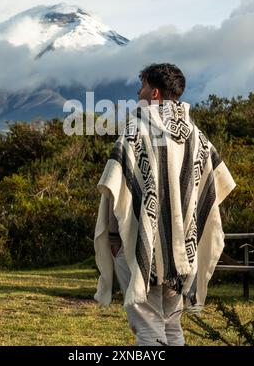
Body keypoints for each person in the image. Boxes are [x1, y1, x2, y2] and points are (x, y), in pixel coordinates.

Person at [94, 63, 236, 346]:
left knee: (146, 323)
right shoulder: (198, 137)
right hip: (183, 249)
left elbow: (116, 186)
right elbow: (214, 185)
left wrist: (113, 235)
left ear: (155, 93)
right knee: (172, 325)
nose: (138, 91)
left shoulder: (137, 131)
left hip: (137, 242)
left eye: (143, 86)